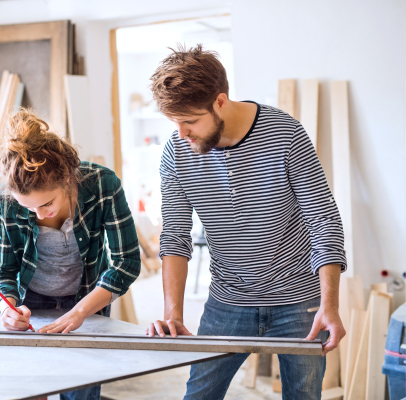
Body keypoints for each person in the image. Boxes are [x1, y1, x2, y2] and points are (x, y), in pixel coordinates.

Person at [146, 45, 347, 400]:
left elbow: (323, 220)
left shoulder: (286, 134)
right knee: (199, 395)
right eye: (174, 122)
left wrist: (330, 304)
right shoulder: (176, 153)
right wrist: (172, 312)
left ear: (220, 102)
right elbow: (175, 235)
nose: (181, 133)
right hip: (227, 300)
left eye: (190, 121)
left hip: (299, 301)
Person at [0, 108, 140, 400]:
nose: (38, 214)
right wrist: (7, 308)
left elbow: (127, 261)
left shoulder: (103, 184)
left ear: (67, 179)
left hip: (87, 299)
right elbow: (1, 270)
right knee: (31, 389)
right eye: (29, 208)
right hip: (31, 303)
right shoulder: (5, 203)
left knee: (81, 392)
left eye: (46, 204)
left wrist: (82, 310)